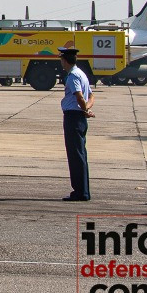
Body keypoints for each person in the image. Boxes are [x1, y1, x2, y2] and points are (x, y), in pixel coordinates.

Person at [59, 48, 94, 201]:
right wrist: (87, 109)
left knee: (75, 156)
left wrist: (85, 109)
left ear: (64, 60)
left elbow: (79, 96)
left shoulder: (73, 76)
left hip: (73, 117)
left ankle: (80, 192)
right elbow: (91, 96)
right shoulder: (81, 74)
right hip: (80, 117)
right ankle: (84, 190)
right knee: (81, 155)